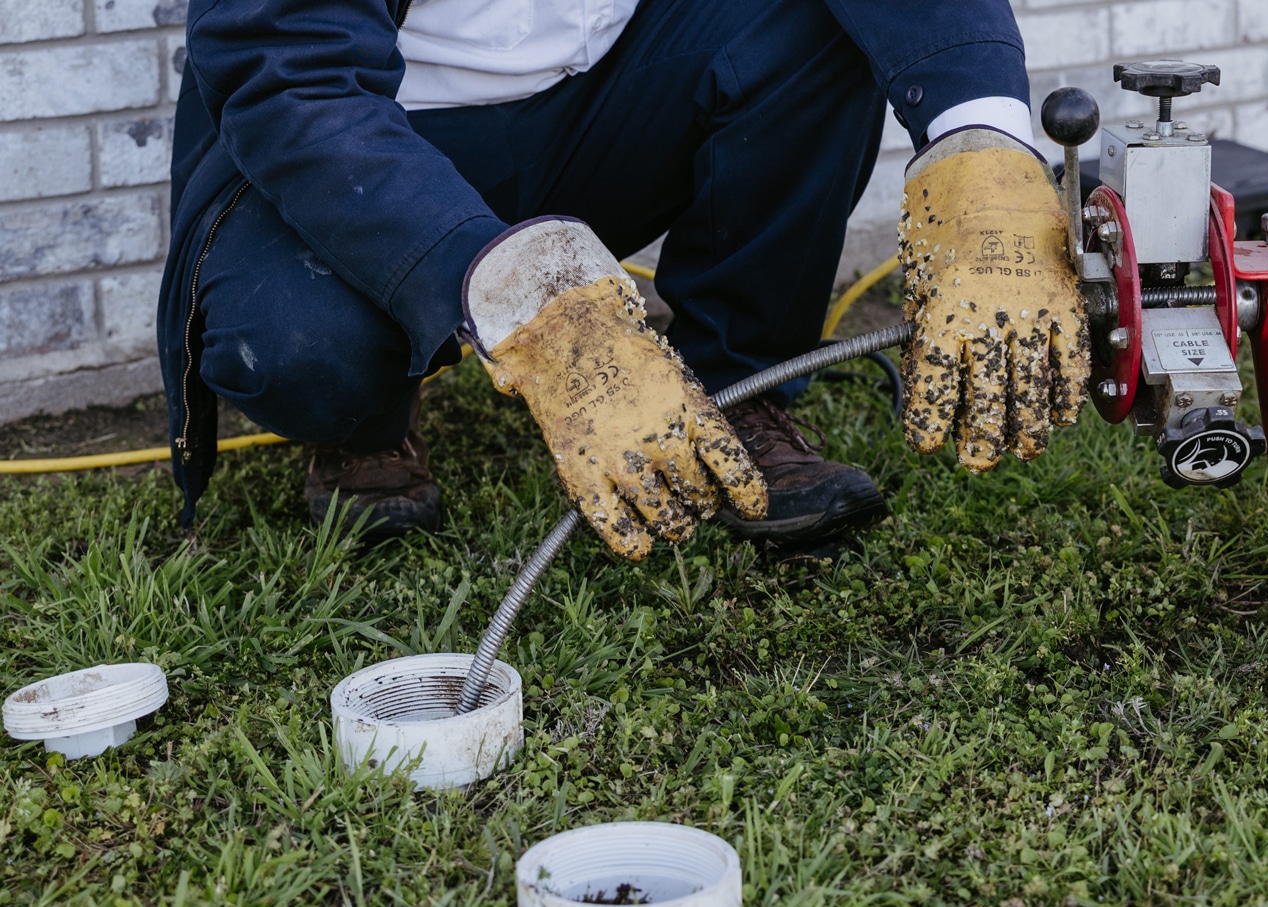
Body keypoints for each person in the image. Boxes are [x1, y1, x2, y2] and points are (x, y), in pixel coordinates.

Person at [158, 0, 1087, 557]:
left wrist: (979, 135)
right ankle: (360, 432)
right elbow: (292, 79)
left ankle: (739, 381)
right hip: (369, 141)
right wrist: (522, 294)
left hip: (597, 100)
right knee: (296, 343)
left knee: (806, 22)